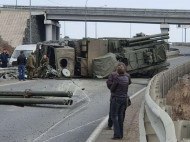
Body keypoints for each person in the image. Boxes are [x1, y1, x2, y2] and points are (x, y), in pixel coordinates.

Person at [106, 62, 131, 129]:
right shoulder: (127, 76)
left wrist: (113, 89)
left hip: (114, 96)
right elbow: (129, 83)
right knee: (122, 112)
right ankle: (120, 125)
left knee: (112, 112)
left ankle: (110, 125)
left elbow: (109, 84)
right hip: (124, 96)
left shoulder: (112, 75)